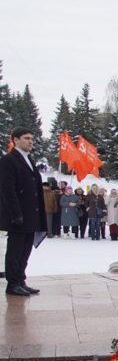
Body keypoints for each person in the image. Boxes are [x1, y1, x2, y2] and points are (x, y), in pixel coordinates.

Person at [0, 127, 46, 296]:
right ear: (16, 140)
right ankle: (12, 283)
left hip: (30, 214)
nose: (30, 141)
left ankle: (20, 280)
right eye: (26, 138)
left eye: (31, 139)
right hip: (17, 215)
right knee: (15, 250)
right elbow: (8, 190)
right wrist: (15, 214)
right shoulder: (8, 160)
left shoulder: (29, 160)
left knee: (26, 250)